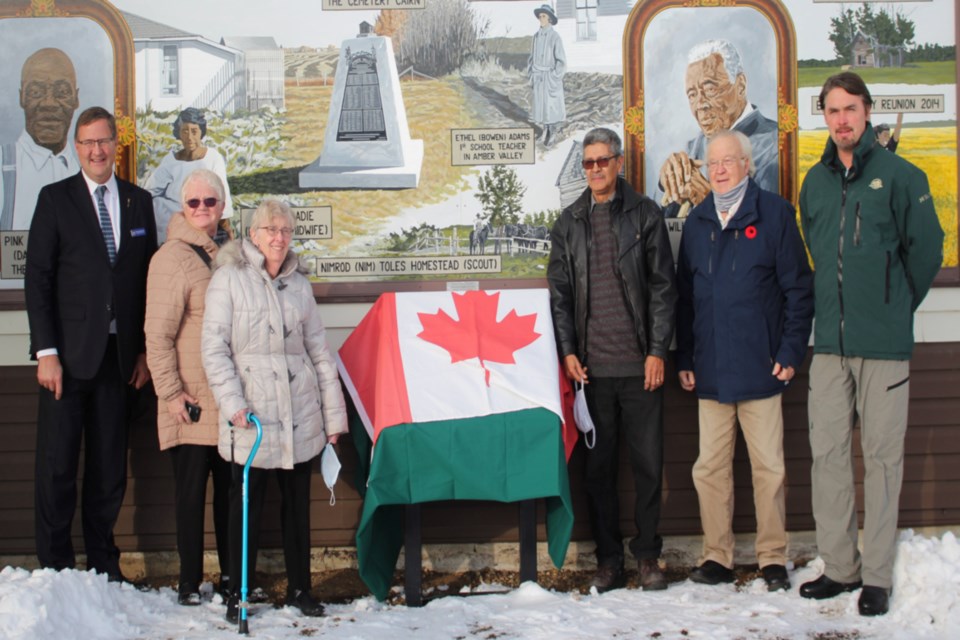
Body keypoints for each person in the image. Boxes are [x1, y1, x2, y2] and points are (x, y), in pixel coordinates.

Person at [798, 72, 943, 616]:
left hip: (884, 347)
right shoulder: (814, 183)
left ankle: (876, 574)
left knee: (882, 460)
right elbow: (818, 249)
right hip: (830, 346)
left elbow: (925, 252)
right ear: (826, 117)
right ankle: (839, 567)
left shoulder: (902, 176)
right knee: (828, 457)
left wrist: (893, 305)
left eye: (851, 109)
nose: (842, 120)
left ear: (867, 111)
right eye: (833, 111)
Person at [675, 130, 813, 592]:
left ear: (747, 165)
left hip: (762, 366)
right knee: (708, 468)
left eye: (728, 161)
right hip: (711, 370)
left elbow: (798, 290)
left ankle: (773, 558)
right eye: (712, 163)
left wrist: (791, 351)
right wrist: (686, 358)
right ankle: (718, 556)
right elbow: (686, 301)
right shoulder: (696, 223)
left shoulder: (774, 214)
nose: (719, 170)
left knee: (768, 467)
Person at [25, 106, 157, 580]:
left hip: (118, 360)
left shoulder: (138, 204)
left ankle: (103, 565)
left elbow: (146, 281)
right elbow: (37, 279)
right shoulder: (55, 200)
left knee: (108, 471)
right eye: (87, 143)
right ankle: (56, 569)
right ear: (76, 148)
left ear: (115, 145)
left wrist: (142, 349)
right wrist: (46, 352)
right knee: (58, 467)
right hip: (66, 359)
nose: (97, 150)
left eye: (103, 141)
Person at [201, 198, 347, 622]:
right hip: (251, 416)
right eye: (271, 230)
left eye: (285, 230)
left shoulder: (299, 284)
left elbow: (319, 353)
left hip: (299, 413)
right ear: (253, 235)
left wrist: (333, 418)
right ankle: (238, 592)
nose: (279, 238)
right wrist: (232, 404)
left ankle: (300, 587)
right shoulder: (229, 279)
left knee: (296, 505)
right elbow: (214, 349)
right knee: (244, 506)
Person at [547, 127, 677, 592]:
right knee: (598, 472)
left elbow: (664, 288)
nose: (596, 169)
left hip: (641, 369)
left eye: (604, 160)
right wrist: (567, 351)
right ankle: (608, 560)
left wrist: (658, 351)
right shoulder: (568, 224)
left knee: (647, 468)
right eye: (588, 163)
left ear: (619, 162)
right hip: (592, 375)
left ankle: (647, 557)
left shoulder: (645, 215)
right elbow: (559, 297)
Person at [145, 169, 233, 606]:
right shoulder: (171, 258)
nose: (202, 209)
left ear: (222, 205)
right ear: (183, 208)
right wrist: (171, 392)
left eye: (210, 201)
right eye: (194, 202)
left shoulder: (232, 254)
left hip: (229, 401)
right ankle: (188, 582)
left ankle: (233, 579)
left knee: (231, 495)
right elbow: (157, 335)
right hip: (193, 400)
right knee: (191, 494)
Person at [659, 39, 778, 217]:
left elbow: (769, 229)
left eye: (710, 90)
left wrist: (710, 202)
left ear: (741, 86)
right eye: (692, 95)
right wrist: (667, 183)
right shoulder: (692, 148)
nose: (700, 105)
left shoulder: (775, 145)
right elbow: (667, 226)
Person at [1, 48, 80, 231]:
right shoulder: (3, 166)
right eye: (36, 92)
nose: (49, 104)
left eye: (61, 92)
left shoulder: (90, 168)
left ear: (76, 99)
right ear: (22, 98)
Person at [143, 108, 233, 244]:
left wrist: (226, 230)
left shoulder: (213, 158)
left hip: (203, 218)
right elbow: (148, 192)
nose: (190, 137)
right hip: (174, 222)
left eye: (194, 131)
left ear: (201, 132)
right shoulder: (171, 161)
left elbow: (222, 194)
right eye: (185, 131)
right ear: (178, 133)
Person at [528, 4, 566, 148]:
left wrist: (554, 76)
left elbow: (561, 61)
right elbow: (531, 58)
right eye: (540, 16)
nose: (541, 19)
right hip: (538, 76)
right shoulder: (536, 36)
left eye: (543, 16)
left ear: (549, 18)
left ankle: (553, 132)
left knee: (551, 107)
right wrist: (532, 74)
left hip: (550, 78)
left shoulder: (555, 37)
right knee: (541, 106)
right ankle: (544, 131)